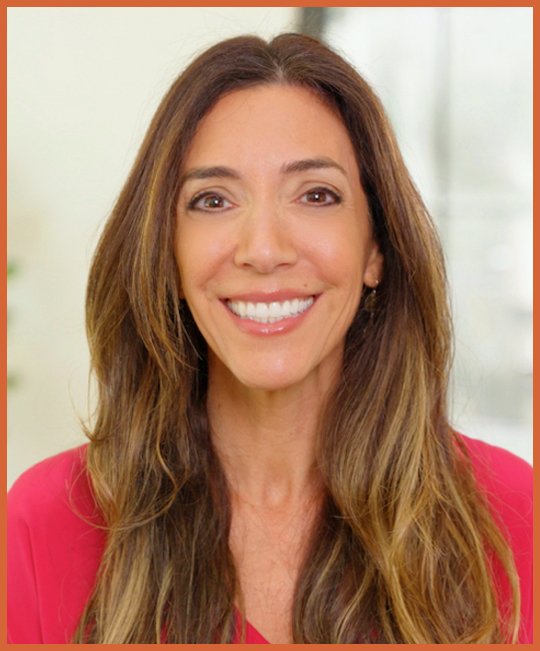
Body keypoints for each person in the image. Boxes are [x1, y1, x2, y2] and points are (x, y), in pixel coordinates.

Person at [8, 33, 532, 644]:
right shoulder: (44, 522)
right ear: (167, 255)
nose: (263, 249)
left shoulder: (514, 517)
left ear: (376, 248)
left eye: (315, 195)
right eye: (212, 199)